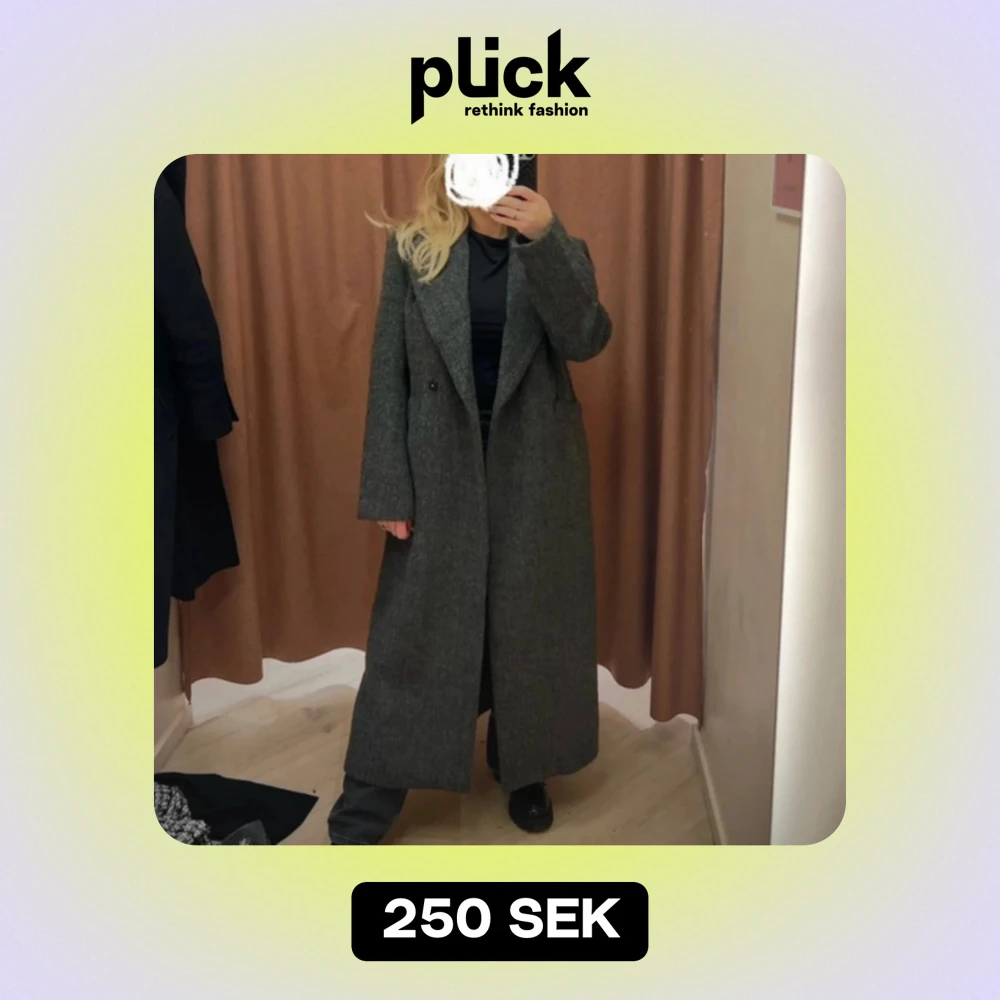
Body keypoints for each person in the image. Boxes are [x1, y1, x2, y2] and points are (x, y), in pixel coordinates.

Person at [328, 154, 612, 844]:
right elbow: (389, 372)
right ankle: (369, 799)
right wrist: (389, 484)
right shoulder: (414, 248)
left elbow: (586, 339)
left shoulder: (558, 247)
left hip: (534, 467)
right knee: (414, 632)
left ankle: (525, 769)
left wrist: (544, 240)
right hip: (439, 465)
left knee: (531, 626)